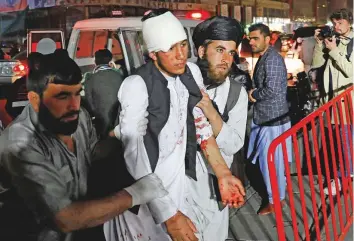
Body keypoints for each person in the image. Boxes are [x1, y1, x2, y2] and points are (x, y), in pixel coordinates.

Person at [104, 9, 245, 241]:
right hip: (146, 201)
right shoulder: (137, 85)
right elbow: (134, 154)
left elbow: (201, 126)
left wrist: (223, 173)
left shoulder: (191, 73)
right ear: (153, 53)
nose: (181, 55)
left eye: (183, 45)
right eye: (171, 48)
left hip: (180, 191)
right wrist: (168, 214)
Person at [0, 51, 168, 241]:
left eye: (77, 93)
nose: (74, 105)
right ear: (35, 100)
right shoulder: (20, 144)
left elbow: (92, 153)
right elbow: (65, 219)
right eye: (62, 96)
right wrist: (135, 194)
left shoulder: (78, 118)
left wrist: (120, 135)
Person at [187, 16, 248, 240]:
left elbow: (233, 144)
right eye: (219, 50)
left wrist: (211, 112)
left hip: (215, 192)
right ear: (202, 51)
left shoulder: (236, 93)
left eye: (231, 53)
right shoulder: (179, 82)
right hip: (179, 191)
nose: (226, 59)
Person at [247, 23, 292, 215]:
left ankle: (274, 201)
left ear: (267, 39)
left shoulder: (271, 59)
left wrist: (254, 94)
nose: (251, 41)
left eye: (255, 38)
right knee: (274, 161)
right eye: (250, 38)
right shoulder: (267, 56)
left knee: (269, 162)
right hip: (271, 117)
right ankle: (277, 197)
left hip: (270, 118)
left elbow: (272, 90)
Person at [312, 8, 353, 195]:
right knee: (338, 141)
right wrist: (320, 44)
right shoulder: (334, 40)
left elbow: (351, 72)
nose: (337, 27)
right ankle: (344, 175)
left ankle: (343, 177)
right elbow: (317, 64)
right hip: (331, 100)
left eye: (340, 23)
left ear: (349, 22)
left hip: (346, 102)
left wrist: (335, 51)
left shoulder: (351, 43)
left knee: (343, 141)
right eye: (334, 23)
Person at [81, 48, 124, 139]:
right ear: (110, 60)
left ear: (95, 61)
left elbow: (89, 105)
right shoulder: (120, 76)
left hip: (102, 125)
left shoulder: (90, 79)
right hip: (120, 123)